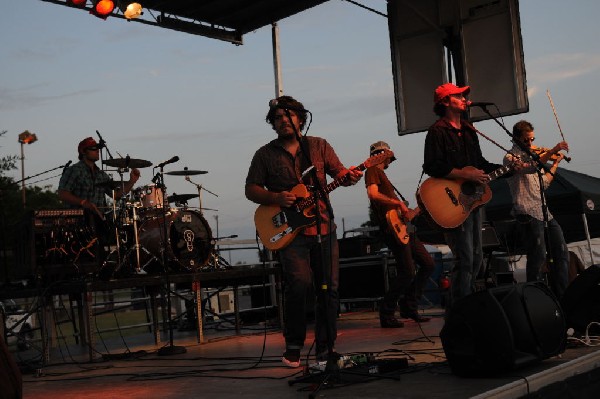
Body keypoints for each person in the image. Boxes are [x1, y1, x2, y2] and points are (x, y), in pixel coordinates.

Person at [245, 95, 362, 368]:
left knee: (329, 289)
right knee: (299, 285)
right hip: (291, 233)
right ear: (272, 124)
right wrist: (276, 198)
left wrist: (350, 177)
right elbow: (251, 189)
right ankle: (294, 345)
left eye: (288, 116)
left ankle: (325, 348)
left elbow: (339, 173)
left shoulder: (319, 146)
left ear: (300, 118)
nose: (283, 121)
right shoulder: (265, 154)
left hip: (323, 225)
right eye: (277, 118)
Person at [422, 83, 508, 305]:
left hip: (472, 201)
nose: (464, 98)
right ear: (445, 102)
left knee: (477, 258)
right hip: (451, 201)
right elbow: (432, 165)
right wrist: (464, 174)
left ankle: (468, 305)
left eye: (463, 95)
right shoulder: (437, 131)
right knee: (465, 258)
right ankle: (460, 311)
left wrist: (509, 168)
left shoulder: (470, 131)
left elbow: (480, 164)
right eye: (458, 95)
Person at [365, 141, 435, 327]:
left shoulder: (383, 175)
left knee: (428, 263)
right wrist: (398, 204)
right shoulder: (372, 170)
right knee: (407, 271)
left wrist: (417, 208)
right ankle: (386, 313)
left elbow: (403, 212)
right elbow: (372, 194)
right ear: (383, 154)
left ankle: (408, 306)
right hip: (391, 228)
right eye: (388, 156)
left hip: (402, 227)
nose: (390, 161)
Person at [503, 120, 569, 297]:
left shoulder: (534, 156)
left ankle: (563, 297)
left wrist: (555, 164)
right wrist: (553, 150)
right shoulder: (510, 158)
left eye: (532, 139)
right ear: (516, 139)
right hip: (527, 212)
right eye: (526, 140)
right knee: (538, 257)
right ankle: (536, 298)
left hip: (543, 210)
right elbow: (530, 168)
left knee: (562, 252)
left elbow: (544, 183)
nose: (530, 144)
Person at [58, 137, 140, 259]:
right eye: (93, 149)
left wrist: (132, 181)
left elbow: (116, 195)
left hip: (99, 219)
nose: (98, 151)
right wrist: (83, 202)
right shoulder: (73, 170)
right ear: (83, 152)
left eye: (98, 149)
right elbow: (62, 194)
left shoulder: (101, 174)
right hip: (78, 221)